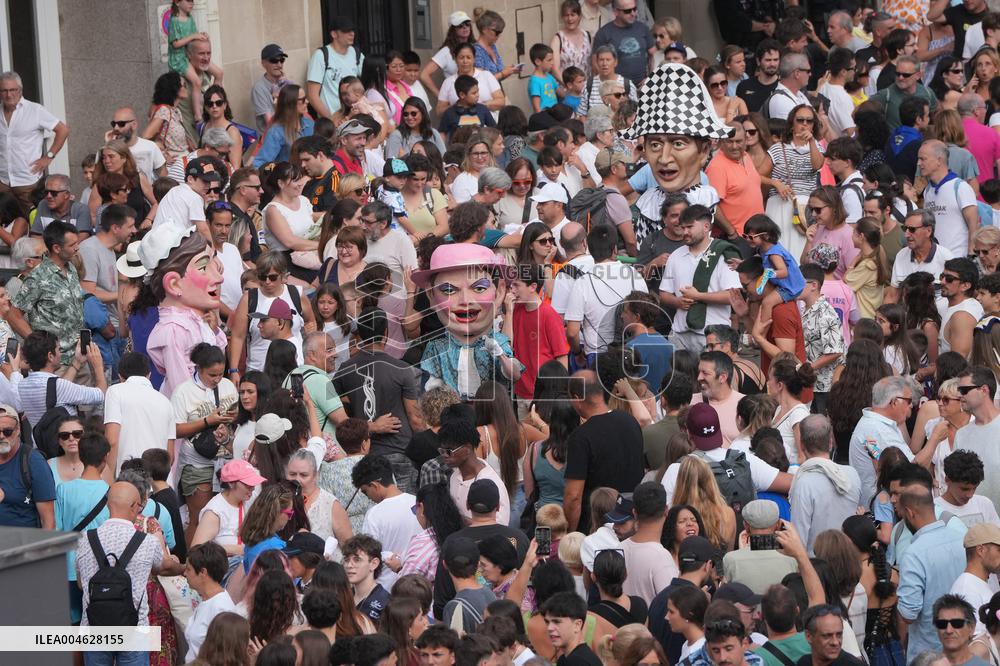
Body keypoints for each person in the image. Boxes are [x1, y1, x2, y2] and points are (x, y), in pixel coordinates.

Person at [333, 306, 422, 487]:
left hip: (364, 453)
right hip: (400, 451)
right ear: (386, 333)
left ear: (360, 335)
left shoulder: (345, 369)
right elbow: (415, 419)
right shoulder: (402, 369)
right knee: (405, 510)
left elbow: (329, 407)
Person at [563, 368, 644, 532]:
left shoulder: (580, 437)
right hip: (632, 520)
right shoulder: (630, 421)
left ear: (577, 399)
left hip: (596, 526)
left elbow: (573, 497)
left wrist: (570, 534)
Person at [896, 483, 967, 662]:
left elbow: (908, 613)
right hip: (963, 645)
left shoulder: (913, 554)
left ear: (910, 513)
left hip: (928, 654)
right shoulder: (961, 539)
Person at [658, 205, 741, 354]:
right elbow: (664, 293)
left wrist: (698, 296)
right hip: (679, 333)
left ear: (706, 226)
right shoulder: (676, 255)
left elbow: (733, 295)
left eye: (690, 227)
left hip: (713, 336)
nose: (685, 232)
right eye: (683, 228)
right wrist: (677, 302)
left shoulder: (723, 253)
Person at [0, 71, 70, 213]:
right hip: (2, 181)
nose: (9, 95)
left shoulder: (35, 110)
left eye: (13, 90)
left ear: (20, 90)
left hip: (27, 181)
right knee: (6, 225)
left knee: (35, 221)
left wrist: (48, 157)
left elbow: (63, 130)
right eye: (4, 91)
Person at [791, 415, 862, 554]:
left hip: (817, 566)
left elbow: (799, 538)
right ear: (830, 442)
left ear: (801, 445)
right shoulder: (852, 474)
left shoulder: (804, 483)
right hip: (849, 561)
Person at [351, 453, 421, 589]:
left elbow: (367, 555)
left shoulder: (374, 515)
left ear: (374, 485)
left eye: (365, 492)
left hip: (387, 589)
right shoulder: (417, 502)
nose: (368, 497)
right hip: (419, 586)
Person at [848, 376, 916, 508]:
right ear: (895, 402)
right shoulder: (878, 430)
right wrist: (935, 439)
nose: (911, 405)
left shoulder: (878, 425)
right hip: (883, 508)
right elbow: (910, 470)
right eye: (909, 401)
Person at [104, 352, 174, 477]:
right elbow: (170, 455)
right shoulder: (166, 401)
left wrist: (108, 479)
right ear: (149, 375)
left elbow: (112, 440)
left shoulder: (115, 391)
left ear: (120, 377)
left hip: (129, 481)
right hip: (160, 483)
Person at [19, 330, 106, 429]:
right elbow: (100, 395)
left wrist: (77, 362)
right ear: (50, 356)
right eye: (59, 350)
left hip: (38, 443)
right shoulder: (59, 387)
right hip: (65, 442)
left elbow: (55, 391)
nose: (60, 354)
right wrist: (98, 366)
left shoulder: (23, 385)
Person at [919, 140, 979, 259]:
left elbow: (974, 224)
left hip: (958, 260)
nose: (919, 163)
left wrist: (971, 255)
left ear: (939, 160)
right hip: (935, 260)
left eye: (923, 159)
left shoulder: (960, 187)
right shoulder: (927, 191)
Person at [283, 331, 347, 438]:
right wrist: (374, 427)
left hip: (299, 448)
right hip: (325, 451)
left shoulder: (292, 375)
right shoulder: (321, 381)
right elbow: (343, 423)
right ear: (312, 355)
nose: (335, 355)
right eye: (329, 350)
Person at [955, 367, 1000, 511]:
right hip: (974, 524)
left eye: (964, 390)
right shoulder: (961, 434)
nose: (959, 395)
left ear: (984, 390)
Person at [184, 541, 237, 662]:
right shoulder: (206, 600)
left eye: (188, 569)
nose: (184, 573)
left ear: (203, 572)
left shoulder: (222, 609)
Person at [306, 16, 364, 121]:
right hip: (333, 119)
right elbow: (312, 95)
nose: (352, 33)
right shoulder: (321, 55)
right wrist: (331, 120)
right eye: (346, 30)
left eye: (352, 30)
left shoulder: (356, 53)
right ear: (334, 34)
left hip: (355, 117)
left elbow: (368, 83)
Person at [591, 0, 655, 86]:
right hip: (616, 89)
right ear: (616, 12)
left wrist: (650, 78)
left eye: (634, 9)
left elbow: (653, 55)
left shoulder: (643, 28)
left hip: (642, 87)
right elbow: (595, 62)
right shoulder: (604, 33)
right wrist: (609, 84)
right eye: (627, 11)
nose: (633, 13)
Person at [870, 56, 938, 130]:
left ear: (918, 75)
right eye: (897, 74)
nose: (900, 78)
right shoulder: (885, 95)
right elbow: (862, 112)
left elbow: (935, 115)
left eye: (906, 75)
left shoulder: (928, 92)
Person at [695, 351, 745, 446]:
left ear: (722, 377)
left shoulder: (745, 405)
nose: (699, 377)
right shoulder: (691, 402)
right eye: (699, 372)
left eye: (705, 373)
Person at [542, 590, 603, 665]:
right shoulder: (567, 659)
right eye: (547, 622)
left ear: (577, 625)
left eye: (557, 622)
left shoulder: (577, 662)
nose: (549, 628)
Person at [938, 259, 983, 357]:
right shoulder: (972, 304)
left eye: (949, 279)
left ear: (965, 286)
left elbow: (958, 364)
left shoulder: (962, 317)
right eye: (942, 276)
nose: (942, 282)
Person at [798, 605, 864, 666]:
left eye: (839, 635)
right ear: (809, 636)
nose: (835, 642)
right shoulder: (804, 662)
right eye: (827, 636)